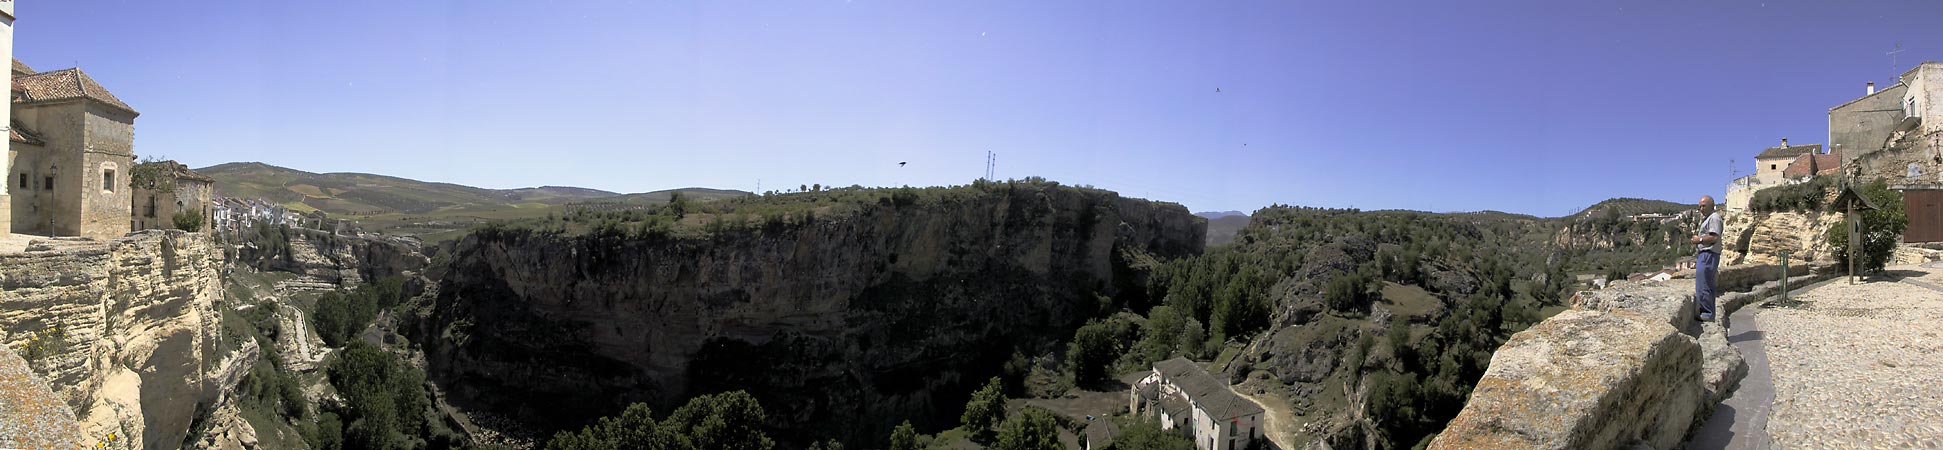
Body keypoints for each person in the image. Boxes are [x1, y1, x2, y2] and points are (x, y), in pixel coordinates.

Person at [1690, 196, 1723, 321]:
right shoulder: (1708, 218)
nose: (1701, 208)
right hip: (1705, 254)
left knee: (1705, 284)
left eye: (1703, 206)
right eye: (1700, 206)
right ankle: (1705, 312)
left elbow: (1714, 238)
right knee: (1702, 283)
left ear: (1711, 205)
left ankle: (1707, 314)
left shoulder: (1714, 218)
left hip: (1709, 254)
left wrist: (1700, 239)